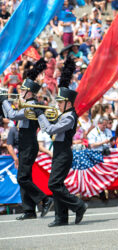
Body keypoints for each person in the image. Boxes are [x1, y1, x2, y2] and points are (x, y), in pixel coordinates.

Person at [34, 57, 87, 227]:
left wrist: (40, 114)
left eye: (60, 102)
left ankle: (79, 206)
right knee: (57, 184)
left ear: (67, 103)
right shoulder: (63, 113)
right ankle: (61, 218)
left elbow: (50, 129)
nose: (57, 105)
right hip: (59, 151)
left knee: (54, 184)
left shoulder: (70, 116)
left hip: (64, 153)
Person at [0, 59, 53, 221]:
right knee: (25, 177)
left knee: (22, 177)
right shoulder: (27, 103)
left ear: (29, 92)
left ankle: (44, 199)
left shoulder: (32, 105)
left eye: (22, 90)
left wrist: (4, 100)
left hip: (29, 143)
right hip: (25, 142)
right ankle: (29, 210)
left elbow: (12, 115)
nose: (20, 92)